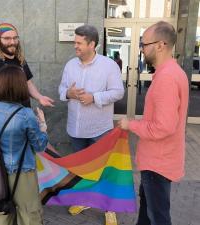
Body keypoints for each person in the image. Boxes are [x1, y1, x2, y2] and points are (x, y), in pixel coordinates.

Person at [118, 21, 189, 225]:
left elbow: (164, 127)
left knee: (157, 217)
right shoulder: (172, 73)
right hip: (158, 160)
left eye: (144, 43)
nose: (141, 48)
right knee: (148, 215)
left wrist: (129, 125)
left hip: (158, 163)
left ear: (160, 45)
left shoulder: (167, 78)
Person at [58, 24, 124, 225]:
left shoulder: (108, 66)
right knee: (81, 170)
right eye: (75, 42)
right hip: (76, 129)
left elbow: (118, 92)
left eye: (79, 43)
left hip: (99, 129)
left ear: (92, 44)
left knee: (105, 170)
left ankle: (109, 209)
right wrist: (69, 93)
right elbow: (61, 88)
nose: (75, 46)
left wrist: (94, 97)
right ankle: (84, 200)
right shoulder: (70, 65)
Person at [0, 65, 48, 225]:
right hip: (23, 172)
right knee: (29, 214)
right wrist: (43, 124)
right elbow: (40, 145)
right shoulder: (25, 114)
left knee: (3, 213)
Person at [0, 23, 54, 108]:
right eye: (7, 38)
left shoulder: (20, 59)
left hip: (22, 114)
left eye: (15, 38)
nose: (12, 42)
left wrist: (39, 97)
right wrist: (11, 106)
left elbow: (28, 83)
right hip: (2, 117)